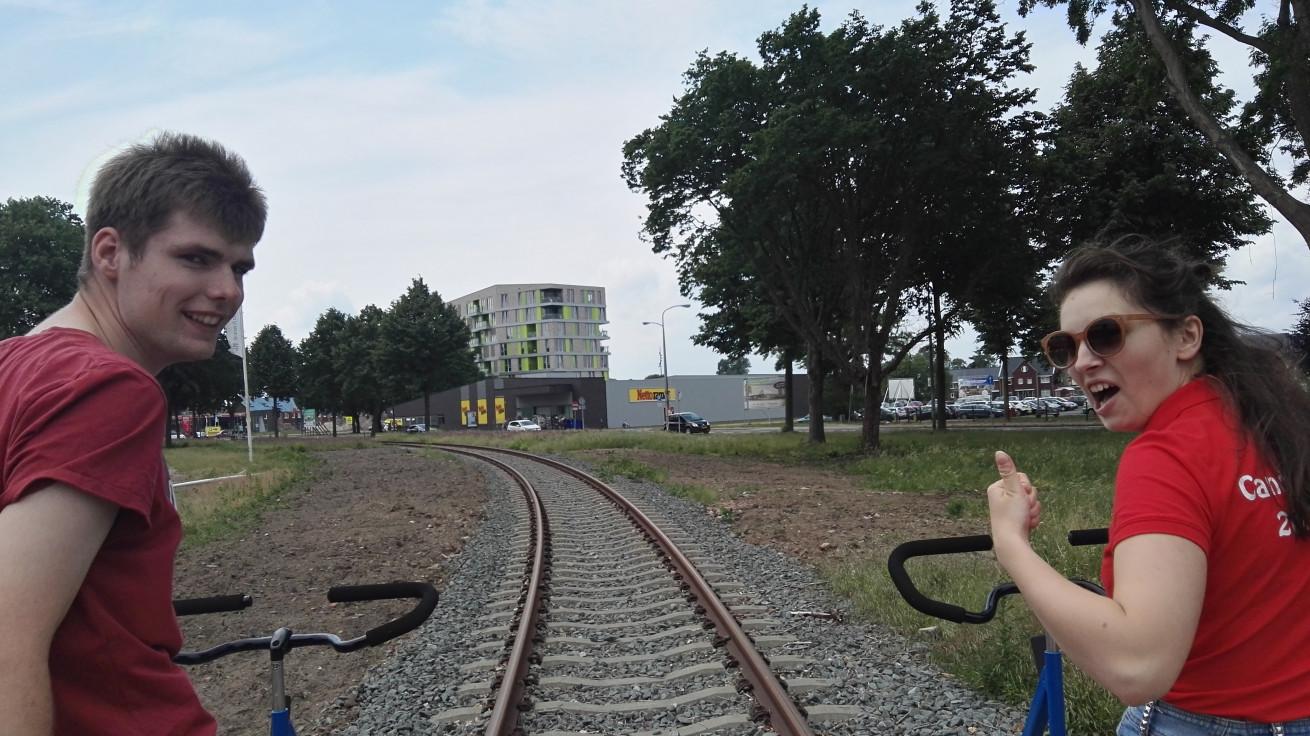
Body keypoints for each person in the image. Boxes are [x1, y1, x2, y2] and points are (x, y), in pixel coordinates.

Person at [0, 132, 267, 735]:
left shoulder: (15, 365)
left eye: (239, 265)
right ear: (111, 252)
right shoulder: (109, 389)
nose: (228, 289)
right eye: (195, 258)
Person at [987, 237, 1310, 734]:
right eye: (1064, 346)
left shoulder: (1166, 455)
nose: (1082, 362)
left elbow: (1137, 664)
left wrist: (1010, 541)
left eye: (1106, 334)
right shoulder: (1278, 427)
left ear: (1186, 337)